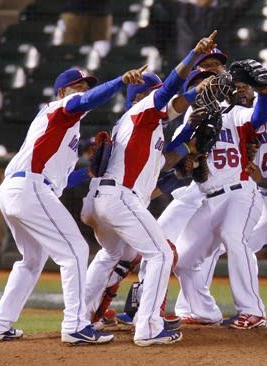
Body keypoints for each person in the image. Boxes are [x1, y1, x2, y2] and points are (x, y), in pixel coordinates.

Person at [0, 65, 146, 344]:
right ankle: (75, 324)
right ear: (62, 91)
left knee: (32, 261)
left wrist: (91, 172)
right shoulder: (61, 107)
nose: (83, 91)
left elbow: (63, 180)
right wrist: (120, 81)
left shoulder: (66, 130)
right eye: (78, 86)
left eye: (86, 86)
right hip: (29, 188)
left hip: (21, 188)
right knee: (75, 251)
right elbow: (86, 101)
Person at [82, 31, 219, 346]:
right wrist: (195, 60)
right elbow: (173, 90)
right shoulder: (142, 112)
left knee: (111, 253)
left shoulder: (148, 129)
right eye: (155, 92)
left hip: (105, 199)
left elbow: (165, 163)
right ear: (141, 97)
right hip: (119, 197)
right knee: (159, 254)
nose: (163, 97)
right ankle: (149, 327)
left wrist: (191, 146)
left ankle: (80, 318)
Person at [172, 63, 267, 330]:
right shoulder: (188, 126)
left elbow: (258, 119)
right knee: (183, 261)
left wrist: (263, 93)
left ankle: (252, 310)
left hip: (240, 192)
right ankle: (205, 311)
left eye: (210, 83)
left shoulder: (234, 113)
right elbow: (179, 168)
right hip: (210, 198)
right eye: (200, 86)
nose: (207, 88)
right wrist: (190, 150)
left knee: (233, 237)